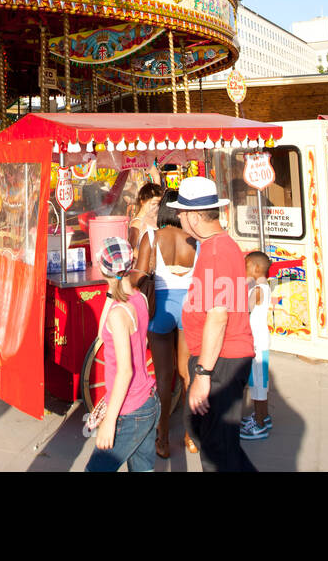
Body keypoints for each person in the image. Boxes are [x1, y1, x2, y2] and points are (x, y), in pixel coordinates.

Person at [171, 176, 256, 472]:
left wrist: (203, 374)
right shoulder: (213, 247)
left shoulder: (217, 251)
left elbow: (218, 316)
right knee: (212, 440)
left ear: (194, 217)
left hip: (222, 361)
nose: (179, 218)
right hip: (222, 359)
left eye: (181, 213)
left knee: (218, 453)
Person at [129, 186, 197, 458]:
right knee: (187, 373)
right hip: (189, 308)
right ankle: (192, 436)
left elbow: (139, 275)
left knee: (164, 376)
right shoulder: (193, 240)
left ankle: (163, 438)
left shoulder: (152, 237)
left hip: (161, 309)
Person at [85, 238, 158, 472]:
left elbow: (125, 371)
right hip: (147, 400)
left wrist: (109, 421)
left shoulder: (118, 314)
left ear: (103, 269)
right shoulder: (140, 299)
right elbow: (106, 334)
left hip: (129, 408)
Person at [240, 251, 272, 440]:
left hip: (257, 342)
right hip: (260, 339)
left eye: (246, 266)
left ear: (256, 268)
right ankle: (263, 416)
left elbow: (246, 308)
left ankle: (259, 424)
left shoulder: (258, 289)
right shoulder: (263, 286)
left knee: (259, 385)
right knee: (260, 383)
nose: (244, 270)